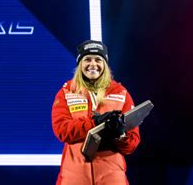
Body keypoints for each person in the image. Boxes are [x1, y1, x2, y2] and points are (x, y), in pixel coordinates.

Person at [51, 40, 140, 185]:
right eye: (87, 59)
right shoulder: (66, 92)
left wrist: (120, 134)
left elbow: (132, 144)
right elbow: (62, 130)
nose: (93, 64)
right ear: (80, 64)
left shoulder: (121, 93)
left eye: (98, 59)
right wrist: (95, 123)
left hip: (112, 178)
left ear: (105, 64)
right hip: (74, 177)